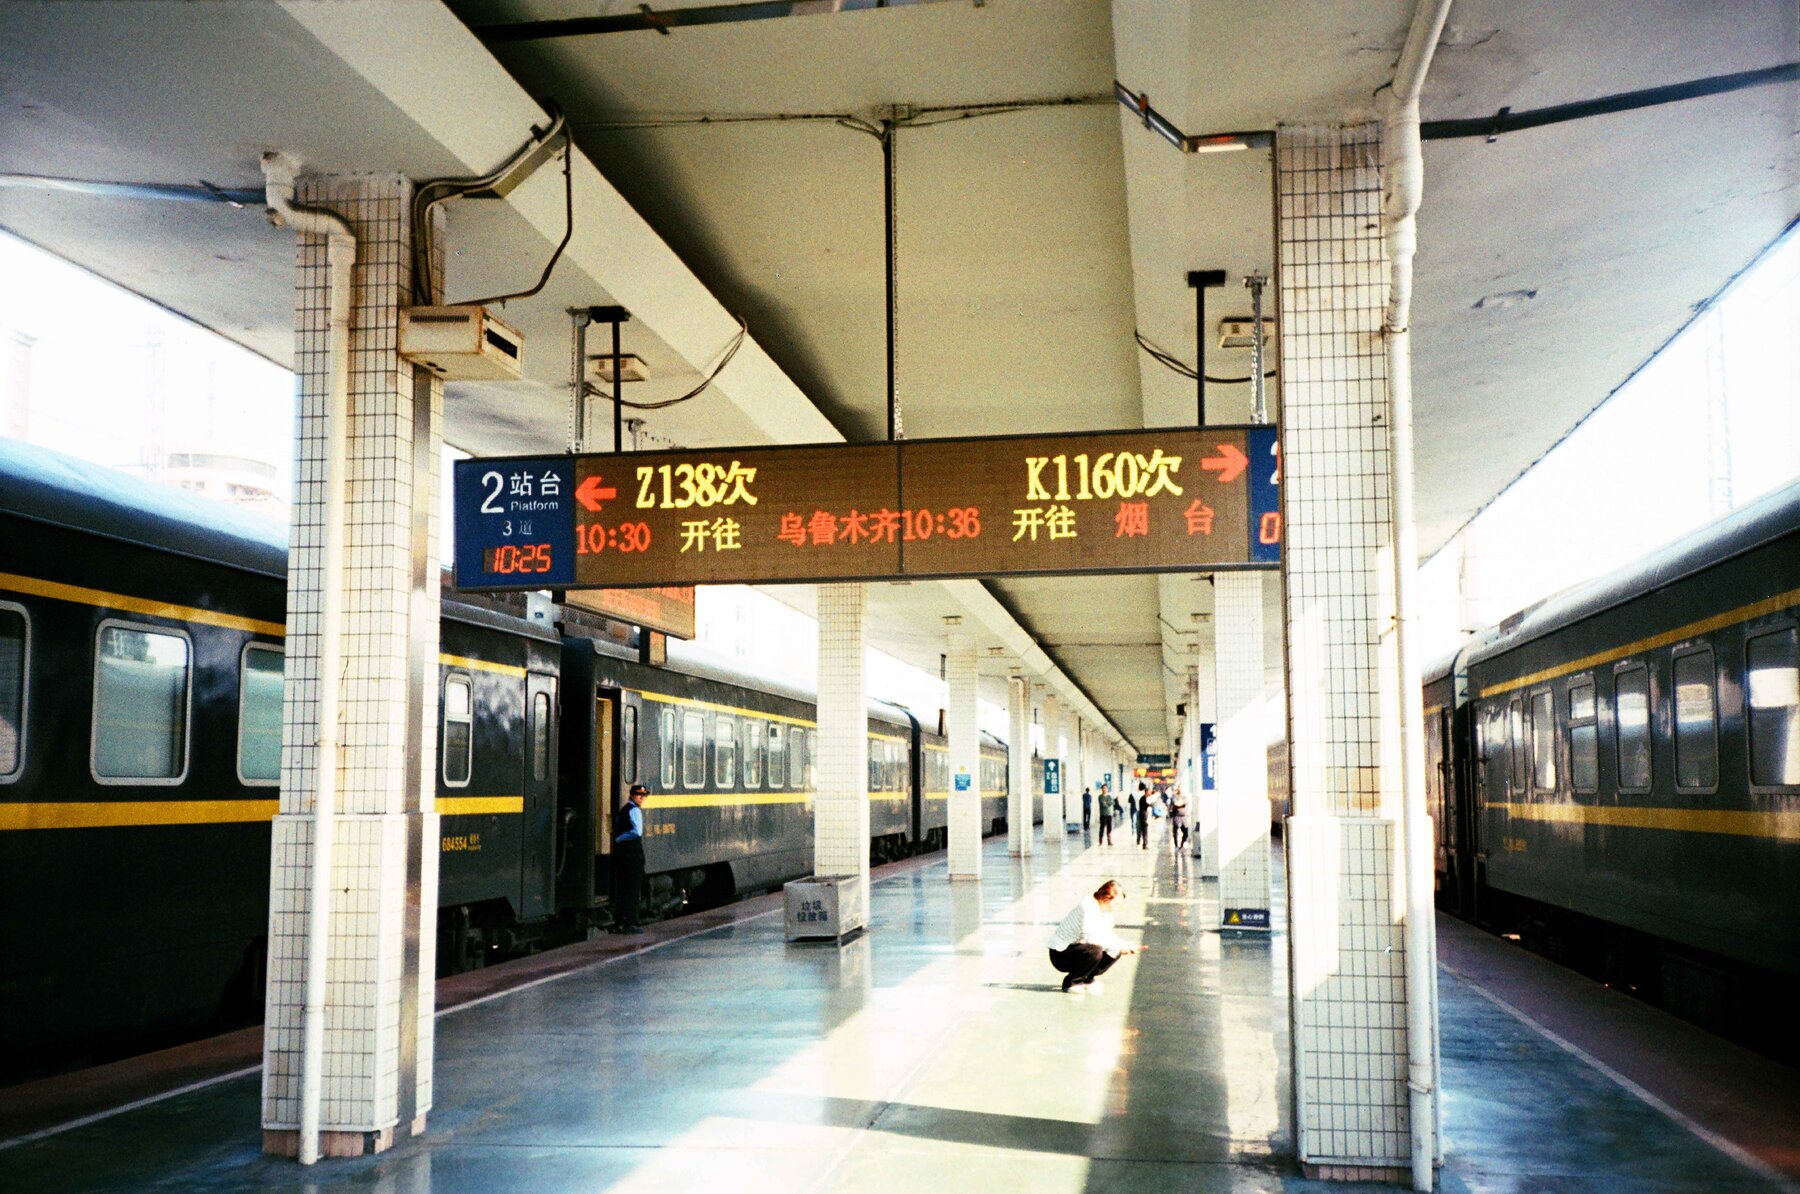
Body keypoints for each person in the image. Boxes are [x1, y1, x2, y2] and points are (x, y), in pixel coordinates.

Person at [1047, 880, 1144, 993]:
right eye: (1116, 904)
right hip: (1060, 954)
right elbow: (1091, 938)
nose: (1116, 908)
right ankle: (1071, 982)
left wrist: (1125, 945)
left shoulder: (1105, 913)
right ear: (1106, 898)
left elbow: (1107, 936)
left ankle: (1087, 979)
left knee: (1114, 950)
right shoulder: (1088, 907)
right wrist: (1120, 946)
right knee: (1095, 951)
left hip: (1078, 949)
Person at [613, 783, 648, 933]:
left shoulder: (624, 810)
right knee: (632, 890)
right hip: (632, 856)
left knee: (623, 889)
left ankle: (620, 922)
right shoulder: (634, 810)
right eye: (639, 795)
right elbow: (637, 832)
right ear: (632, 796)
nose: (641, 798)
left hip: (622, 855)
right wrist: (620, 838)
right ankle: (630, 923)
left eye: (643, 796)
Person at [1168, 785, 1189, 851]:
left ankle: (1182, 844)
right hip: (1176, 816)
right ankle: (1176, 845)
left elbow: (1185, 802)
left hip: (1184, 816)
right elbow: (1176, 803)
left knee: (1186, 831)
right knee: (1175, 832)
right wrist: (1181, 804)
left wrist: (1181, 804)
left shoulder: (1184, 797)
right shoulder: (1174, 797)